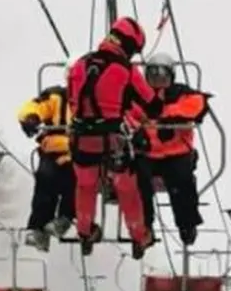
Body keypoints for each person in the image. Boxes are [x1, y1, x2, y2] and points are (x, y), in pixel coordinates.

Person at [66, 16, 166, 258]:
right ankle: (139, 236)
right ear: (130, 45)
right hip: (113, 140)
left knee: (85, 185)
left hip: (81, 137)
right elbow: (152, 105)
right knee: (126, 189)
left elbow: (72, 100)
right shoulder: (126, 70)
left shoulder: (79, 65)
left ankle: (85, 231)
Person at [131, 53, 212, 247]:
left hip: (176, 153)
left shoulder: (180, 93)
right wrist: (136, 131)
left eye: (162, 74)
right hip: (147, 153)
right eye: (153, 74)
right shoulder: (138, 96)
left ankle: (187, 224)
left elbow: (197, 104)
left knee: (182, 181)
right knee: (138, 181)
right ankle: (144, 226)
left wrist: (169, 117)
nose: (158, 79)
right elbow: (128, 112)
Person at [17, 83, 75, 251]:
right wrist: (31, 117)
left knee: (75, 180)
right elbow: (36, 106)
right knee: (45, 179)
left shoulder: (96, 99)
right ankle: (39, 226)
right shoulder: (57, 97)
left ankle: (65, 217)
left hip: (82, 150)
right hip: (54, 149)